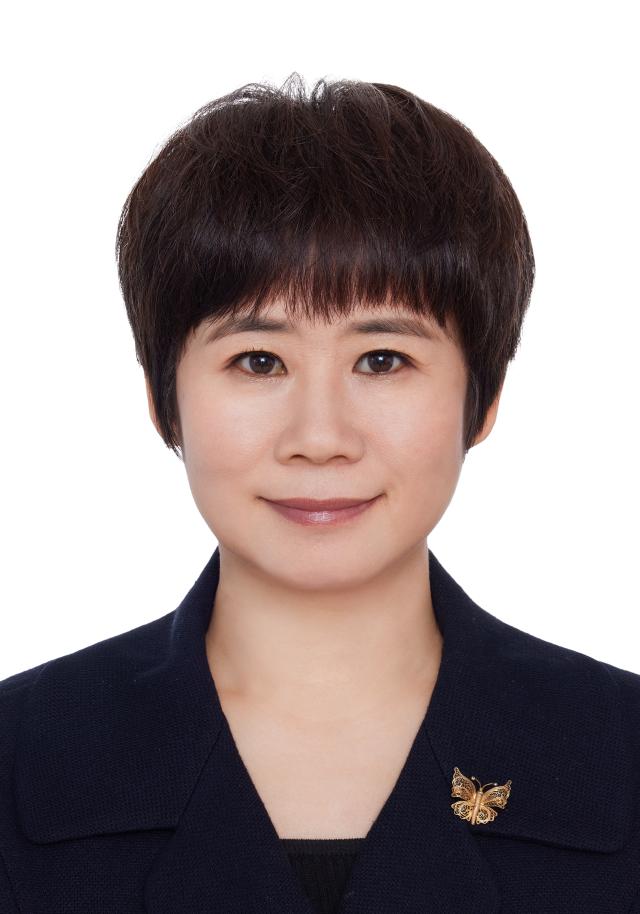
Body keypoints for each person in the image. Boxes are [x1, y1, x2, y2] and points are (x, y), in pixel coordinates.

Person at [1, 72, 638, 914]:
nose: (321, 436)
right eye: (258, 361)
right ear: (163, 401)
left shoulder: (620, 751)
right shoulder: (21, 754)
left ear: (481, 400)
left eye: (383, 360)